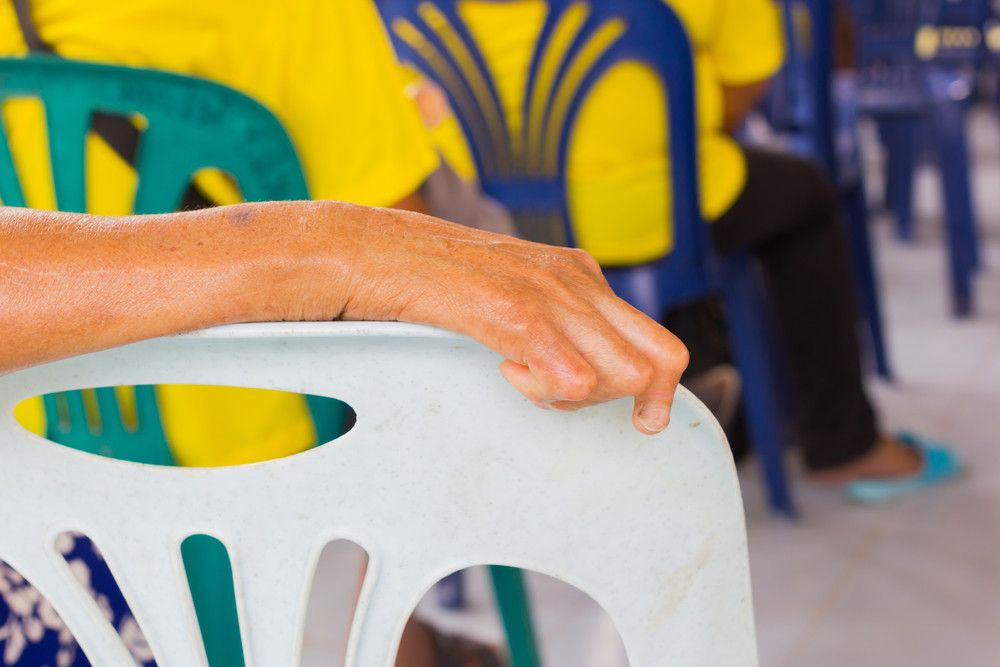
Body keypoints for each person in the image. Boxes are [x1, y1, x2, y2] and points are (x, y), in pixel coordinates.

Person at [0, 201, 688, 665]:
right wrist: (340, 248)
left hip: (51, 435)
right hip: (265, 429)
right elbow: (407, 210)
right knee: (433, 377)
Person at [405, 0, 962, 501]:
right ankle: (845, 444)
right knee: (807, 194)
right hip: (652, 210)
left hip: (480, 226)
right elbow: (747, 79)